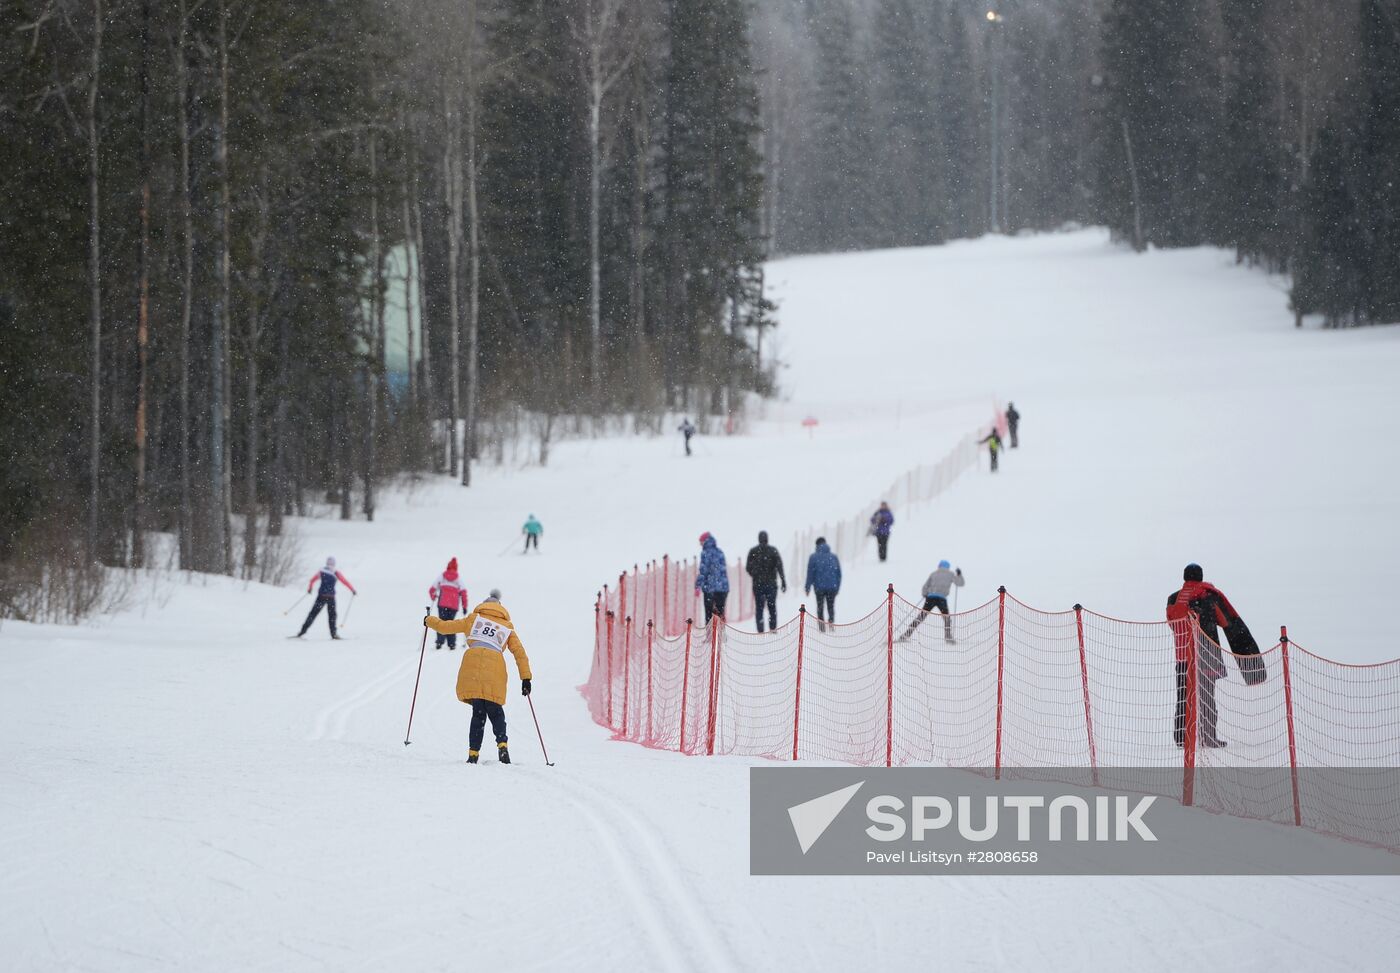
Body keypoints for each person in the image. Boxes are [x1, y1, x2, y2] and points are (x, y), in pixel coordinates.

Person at [425, 589, 533, 764]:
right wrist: (525, 678)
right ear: (500, 608)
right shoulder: (507, 627)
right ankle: (502, 745)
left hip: (472, 666)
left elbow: (446, 628)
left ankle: (473, 754)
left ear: (484, 605)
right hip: (495, 667)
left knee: (478, 714)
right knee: (496, 712)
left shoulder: (473, 619)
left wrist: (429, 620)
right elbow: (519, 653)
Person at [1166, 563, 1253, 749]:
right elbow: (1227, 622)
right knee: (1207, 698)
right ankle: (1208, 736)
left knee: (1183, 697)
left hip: (1183, 657)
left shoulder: (1172, 599)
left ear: (1184, 577)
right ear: (1201, 576)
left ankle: (1182, 737)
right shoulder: (1210, 596)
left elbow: (1173, 624)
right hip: (1208, 658)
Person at [900, 560, 964, 643]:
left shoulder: (934, 574)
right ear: (948, 567)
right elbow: (960, 583)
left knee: (921, 617)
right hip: (941, 599)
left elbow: (925, 586)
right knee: (947, 618)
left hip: (930, 598)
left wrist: (925, 594)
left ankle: (906, 635)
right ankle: (948, 637)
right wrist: (959, 575)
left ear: (939, 566)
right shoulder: (951, 574)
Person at [294, 556, 356, 639]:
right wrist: (352, 590)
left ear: (326, 563)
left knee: (313, 614)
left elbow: (312, 580)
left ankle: (302, 631)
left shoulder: (321, 571)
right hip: (331, 597)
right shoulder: (336, 572)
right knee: (332, 616)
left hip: (321, 596)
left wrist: (310, 589)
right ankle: (333, 634)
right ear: (334, 564)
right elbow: (345, 581)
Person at [745, 530, 787, 633]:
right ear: (767, 539)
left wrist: (754, 574)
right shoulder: (773, 551)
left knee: (759, 607)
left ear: (759, 539)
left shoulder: (753, 551)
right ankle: (773, 628)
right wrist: (783, 580)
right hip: (771, 584)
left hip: (758, 584)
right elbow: (779, 566)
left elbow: (748, 567)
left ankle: (760, 630)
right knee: (772, 606)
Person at [804, 537, 842, 633]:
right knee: (831, 606)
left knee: (820, 607)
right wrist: (837, 587)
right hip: (832, 587)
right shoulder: (833, 557)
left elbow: (810, 574)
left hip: (819, 587)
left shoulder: (813, 557)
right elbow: (838, 574)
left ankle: (821, 627)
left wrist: (807, 587)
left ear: (817, 545)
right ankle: (831, 622)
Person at [428, 557, 466, 650]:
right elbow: (463, 593)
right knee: (451, 623)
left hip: (442, 604)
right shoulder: (458, 579)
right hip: (453, 606)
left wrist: (433, 597)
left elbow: (432, 589)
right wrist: (464, 606)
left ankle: (439, 642)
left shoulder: (442, 576)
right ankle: (451, 644)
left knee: (441, 622)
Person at [695, 532, 730, 624]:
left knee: (709, 615)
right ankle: (721, 635)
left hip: (709, 588)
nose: (700, 544)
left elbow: (703, 571)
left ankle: (710, 637)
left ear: (705, 541)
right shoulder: (720, 552)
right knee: (720, 613)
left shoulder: (705, 553)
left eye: (701, 542)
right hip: (722, 588)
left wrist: (698, 585)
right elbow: (723, 570)